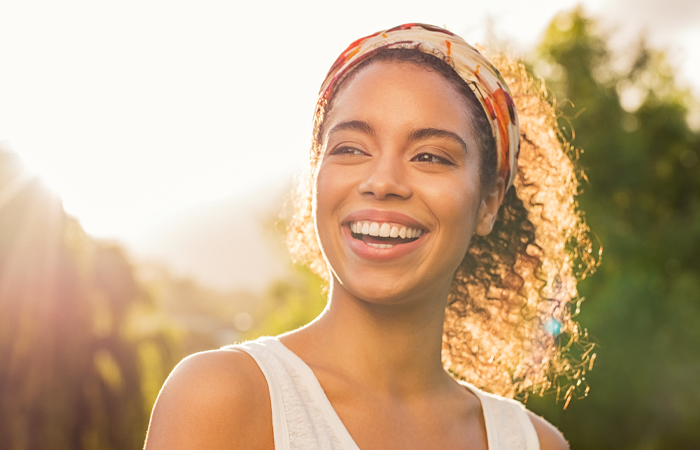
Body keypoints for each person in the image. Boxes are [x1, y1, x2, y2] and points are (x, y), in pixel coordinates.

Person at [144, 23, 596, 450]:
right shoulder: (220, 399)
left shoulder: (532, 442)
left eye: (430, 156)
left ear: (489, 203)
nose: (382, 181)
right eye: (351, 149)